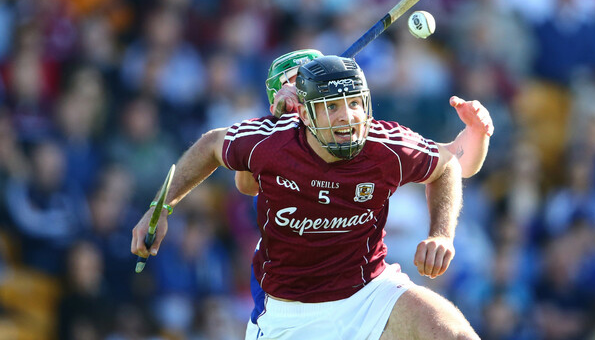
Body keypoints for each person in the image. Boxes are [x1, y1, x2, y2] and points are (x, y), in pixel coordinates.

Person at [132, 54, 482, 339]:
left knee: (455, 335)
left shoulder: (385, 145)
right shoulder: (272, 141)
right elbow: (212, 146)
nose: (347, 118)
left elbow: (447, 165)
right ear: (305, 113)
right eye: (332, 106)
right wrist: (160, 208)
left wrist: (441, 233)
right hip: (289, 314)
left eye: (354, 103)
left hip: (370, 293)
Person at [236, 49, 494, 331]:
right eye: (295, 86)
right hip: (291, 306)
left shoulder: (363, 139)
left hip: (361, 293)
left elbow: (453, 164)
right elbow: (246, 184)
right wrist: (276, 120)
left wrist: (475, 133)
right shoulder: (271, 147)